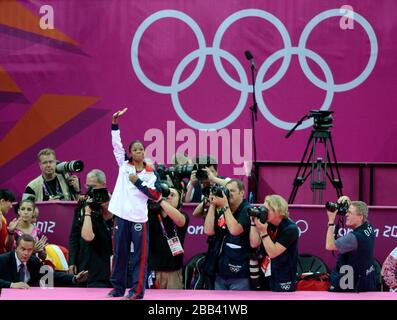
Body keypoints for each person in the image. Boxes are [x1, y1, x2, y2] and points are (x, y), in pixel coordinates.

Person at [107, 107, 161, 300]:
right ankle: (117, 288)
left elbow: (156, 195)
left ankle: (137, 292)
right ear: (130, 153)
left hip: (139, 218)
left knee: (139, 257)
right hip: (121, 216)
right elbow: (116, 145)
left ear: (144, 152)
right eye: (135, 149)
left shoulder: (150, 173)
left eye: (141, 149)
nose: (138, 152)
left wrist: (137, 182)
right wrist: (115, 123)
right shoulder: (124, 164)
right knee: (120, 254)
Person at [69, 169, 113, 288]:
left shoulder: (114, 203)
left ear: (103, 185)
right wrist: (72, 261)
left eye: (93, 186)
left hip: (103, 263)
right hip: (83, 260)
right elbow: (74, 235)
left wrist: (107, 208)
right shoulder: (83, 204)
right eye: (87, 186)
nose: (89, 190)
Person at [204, 179, 251, 290]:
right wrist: (212, 205)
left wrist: (225, 206)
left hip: (239, 274)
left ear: (242, 192)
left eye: (232, 191)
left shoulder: (247, 210)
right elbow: (208, 231)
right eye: (227, 190)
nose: (228, 193)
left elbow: (235, 230)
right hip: (219, 271)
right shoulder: (222, 209)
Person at [326, 196, 376, 292]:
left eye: (349, 213)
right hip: (366, 282)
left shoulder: (354, 238)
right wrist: (347, 200)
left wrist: (331, 222)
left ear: (360, 217)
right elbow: (358, 209)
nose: (346, 215)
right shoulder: (368, 227)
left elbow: (329, 245)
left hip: (349, 287)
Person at [0, 234, 87, 289]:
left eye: (29, 250)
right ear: (16, 248)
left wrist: (74, 278)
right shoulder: (3, 259)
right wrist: (11, 285)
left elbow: (51, 275)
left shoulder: (33, 261)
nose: (26, 253)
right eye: (23, 249)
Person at [250, 195, 299, 292]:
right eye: (262, 208)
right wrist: (253, 223)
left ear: (278, 211)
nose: (263, 212)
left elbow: (273, 253)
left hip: (283, 276)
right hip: (265, 273)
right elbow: (254, 244)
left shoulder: (291, 229)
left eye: (266, 210)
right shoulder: (267, 224)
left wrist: (263, 232)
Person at [147, 186, 189, 289]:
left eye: (172, 195)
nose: (168, 196)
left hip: (174, 272)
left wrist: (160, 199)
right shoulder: (151, 214)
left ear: (179, 200)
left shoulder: (183, 215)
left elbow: (180, 221)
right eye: (166, 193)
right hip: (153, 271)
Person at [0, 189, 16, 254]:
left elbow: (7, 247)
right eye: (10, 202)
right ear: (2, 201)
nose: (11, 206)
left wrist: (10, 232)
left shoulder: (3, 218)